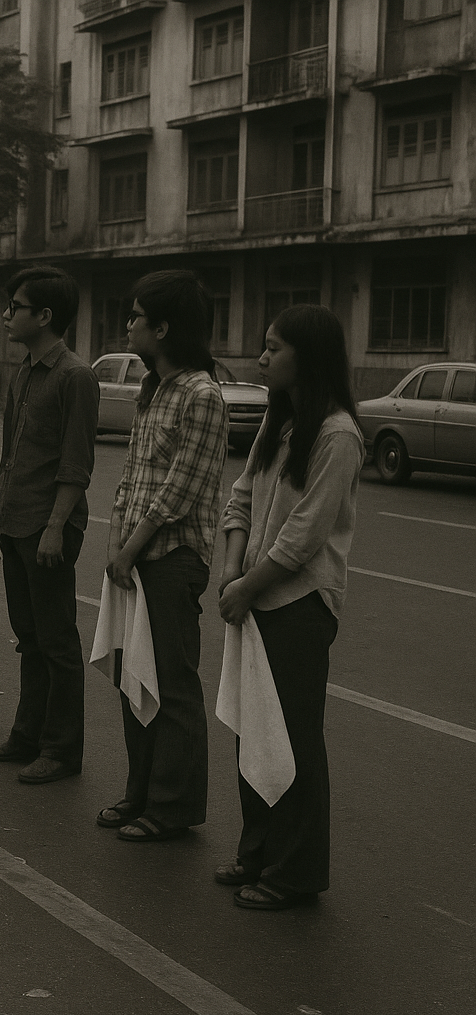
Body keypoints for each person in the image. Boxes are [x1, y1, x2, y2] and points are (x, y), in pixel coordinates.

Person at [215, 304, 364, 911]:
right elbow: (242, 496)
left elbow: (303, 539)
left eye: (274, 348)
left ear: (309, 356)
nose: (262, 357)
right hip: (252, 596)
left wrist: (247, 587)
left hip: (299, 606)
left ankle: (296, 870)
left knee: (294, 739)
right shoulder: (280, 423)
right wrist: (231, 568)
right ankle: (259, 850)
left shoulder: (337, 436)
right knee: (256, 734)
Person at [99, 271, 229, 841]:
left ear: (164, 326)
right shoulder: (155, 387)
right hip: (134, 555)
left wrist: (129, 549)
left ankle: (173, 806)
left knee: (172, 684)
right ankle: (141, 792)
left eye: (135, 316)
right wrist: (116, 545)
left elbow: (180, 490)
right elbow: (132, 476)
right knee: (134, 677)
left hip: (172, 557)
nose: (128, 324)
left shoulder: (202, 393)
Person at [0, 266, 99, 784]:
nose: (6, 316)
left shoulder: (75, 376)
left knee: (57, 642)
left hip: (49, 528)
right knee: (28, 637)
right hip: (17, 521)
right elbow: (12, 456)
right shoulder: (22, 370)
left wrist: (54, 528)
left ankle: (61, 749)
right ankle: (27, 735)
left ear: (44, 316)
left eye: (16, 308)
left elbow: (75, 464)